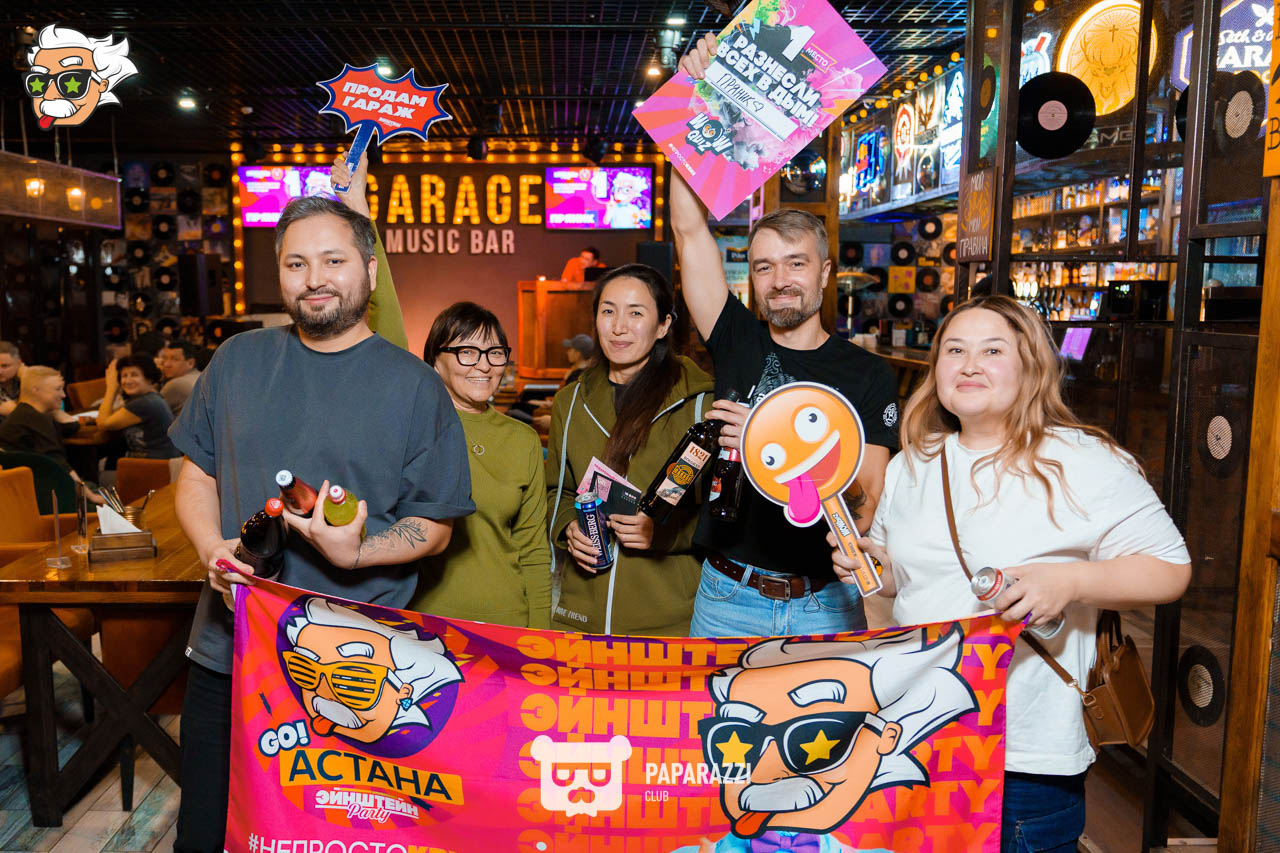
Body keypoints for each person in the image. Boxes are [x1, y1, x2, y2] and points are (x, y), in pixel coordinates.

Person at [169, 195, 474, 852]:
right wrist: (210, 548)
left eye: (334, 260)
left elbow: (435, 526)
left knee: (340, 837)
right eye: (296, 263)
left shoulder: (415, 386)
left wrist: (357, 552)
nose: (315, 279)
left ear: (369, 270)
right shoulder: (237, 360)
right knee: (206, 830)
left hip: (359, 675)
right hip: (232, 649)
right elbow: (196, 477)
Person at [838, 295, 1190, 852]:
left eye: (992, 351)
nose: (969, 365)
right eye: (955, 350)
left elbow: (1170, 570)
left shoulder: (1084, 460)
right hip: (914, 737)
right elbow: (902, 578)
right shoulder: (912, 464)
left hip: (1022, 754)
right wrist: (870, 567)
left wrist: (1070, 583)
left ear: (1031, 365)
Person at [670, 34, 898, 639]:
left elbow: (863, 504)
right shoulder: (736, 337)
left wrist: (769, 439)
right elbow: (689, 231)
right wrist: (697, 100)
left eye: (797, 264)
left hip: (824, 601)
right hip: (727, 595)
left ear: (824, 273)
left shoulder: (868, 374)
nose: (780, 280)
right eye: (764, 267)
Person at [545, 263, 714, 636]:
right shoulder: (571, 402)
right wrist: (568, 526)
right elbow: (557, 490)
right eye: (608, 311)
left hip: (668, 620)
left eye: (635, 313)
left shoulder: (701, 405)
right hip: (583, 613)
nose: (619, 326)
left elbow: (721, 513)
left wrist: (663, 533)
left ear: (664, 325)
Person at [412, 302, 551, 628]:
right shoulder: (415, 429)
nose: (484, 365)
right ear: (435, 360)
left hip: (507, 622)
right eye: (467, 352)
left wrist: (541, 636)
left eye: (495, 353)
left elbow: (533, 549)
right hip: (424, 623)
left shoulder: (523, 439)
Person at [0, 366, 83, 477]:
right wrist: (86, 489)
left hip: (23, 481)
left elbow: (72, 426)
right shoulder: (35, 419)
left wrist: (53, 408)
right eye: (57, 389)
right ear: (36, 390)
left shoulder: (24, 414)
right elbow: (59, 466)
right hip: (38, 484)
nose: (63, 395)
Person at [96, 354, 181, 459]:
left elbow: (103, 423)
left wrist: (111, 388)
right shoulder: (149, 398)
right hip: (158, 461)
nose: (127, 381)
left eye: (134, 375)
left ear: (149, 378)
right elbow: (110, 416)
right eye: (124, 376)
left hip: (154, 464)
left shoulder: (145, 403)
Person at [157, 339, 202, 415]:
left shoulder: (176, 384)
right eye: (165, 358)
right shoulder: (201, 376)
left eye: (175, 359)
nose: (167, 364)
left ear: (190, 363)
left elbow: (151, 411)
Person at [0, 341, 24, 418]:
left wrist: (26, 375)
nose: (0, 371)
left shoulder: (25, 383)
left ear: (19, 363)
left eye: (4, 366)